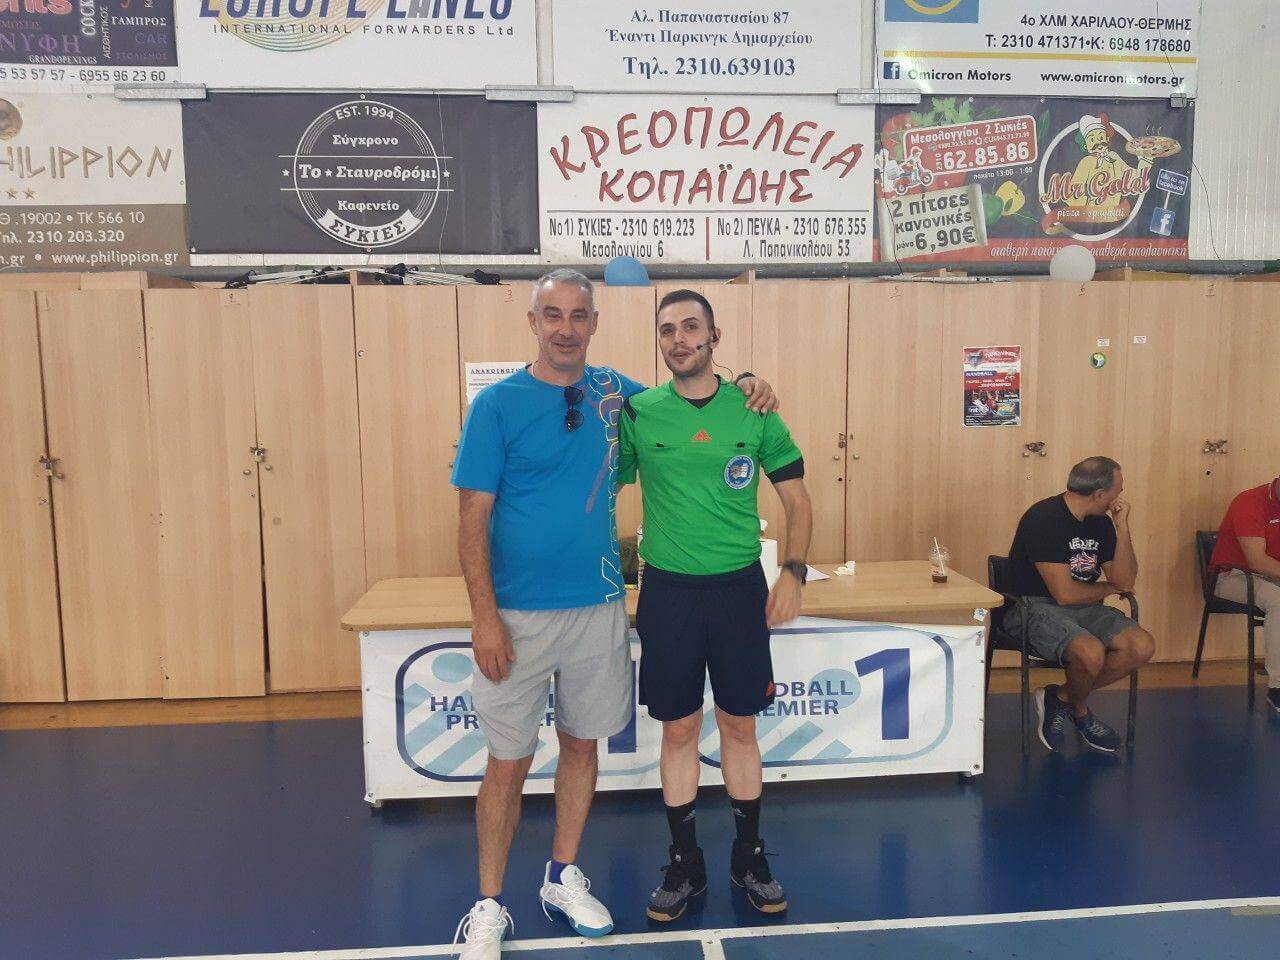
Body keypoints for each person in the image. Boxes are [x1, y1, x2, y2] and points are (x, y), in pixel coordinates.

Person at [450, 270, 777, 959]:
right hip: (517, 613)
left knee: (580, 747)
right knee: (507, 763)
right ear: (533, 322)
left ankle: (562, 875)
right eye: (552, 315)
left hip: (598, 606)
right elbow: (471, 516)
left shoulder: (617, 395)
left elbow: (693, 389)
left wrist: (748, 380)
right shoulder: (497, 406)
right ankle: (488, 905)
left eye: (579, 315)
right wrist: (484, 617)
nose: (565, 328)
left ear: (594, 324)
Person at [618, 289, 812, 922]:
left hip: (737, 592)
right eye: (667, 329)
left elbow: (798, 501)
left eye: (690, 327)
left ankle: (749, 857)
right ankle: (684, 863)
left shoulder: (754, 410)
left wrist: (792, 573)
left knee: (739, 726)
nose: (679, 339)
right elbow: (600, 484)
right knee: (678, 730)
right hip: (669, 593)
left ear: (714, 337)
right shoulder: (639, 412)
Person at [1003, 457, 1156, 754]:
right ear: (1099, 494)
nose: (1120, 497)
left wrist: (1122, 529)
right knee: (1090, 652)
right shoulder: (1044, 518)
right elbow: (1065, 594)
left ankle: (1060, 698)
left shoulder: (1101, 523)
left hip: (1084, 607)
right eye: (1117, 491)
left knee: (1141, 646)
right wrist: (1110, 587)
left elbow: (1125, 580)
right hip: (1032, 607)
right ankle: (1081, 710)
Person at [1209, 477, 1280, 715]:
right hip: (1233, 576)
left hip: (1272, 576)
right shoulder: (1249, 501)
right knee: (1279, 600)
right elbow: (1257, 561)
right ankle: (1277, 688)